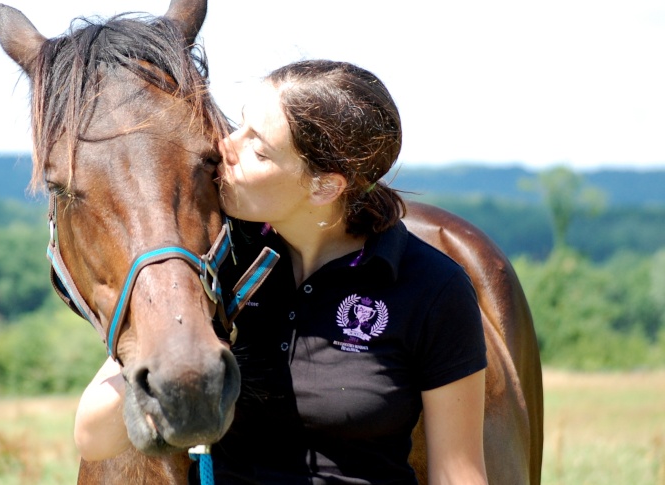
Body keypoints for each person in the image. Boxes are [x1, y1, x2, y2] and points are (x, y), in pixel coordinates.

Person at [74, 60, 488, 485]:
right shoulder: (218, 258)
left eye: (258, 148)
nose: (223, 146)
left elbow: (458, 472)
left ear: (324, 186)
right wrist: (188, 339)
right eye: (240, 124)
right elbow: (93, 436)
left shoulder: (433, 288)